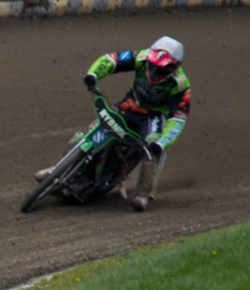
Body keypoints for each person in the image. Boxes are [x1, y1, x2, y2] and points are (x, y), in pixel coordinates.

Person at [35, 36, 190, 212]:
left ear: (174, 67)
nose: (153, 71)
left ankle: (142, 195)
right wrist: (93, 75)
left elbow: (178, 120)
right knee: (90, 130)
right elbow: (111, 60)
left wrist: (161, 143)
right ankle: (55, 169)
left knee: (153, 149)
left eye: (160, 68)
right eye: (152, 64)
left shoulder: (181, 85)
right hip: (128, 106)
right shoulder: (141, 57)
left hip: (151, 118)